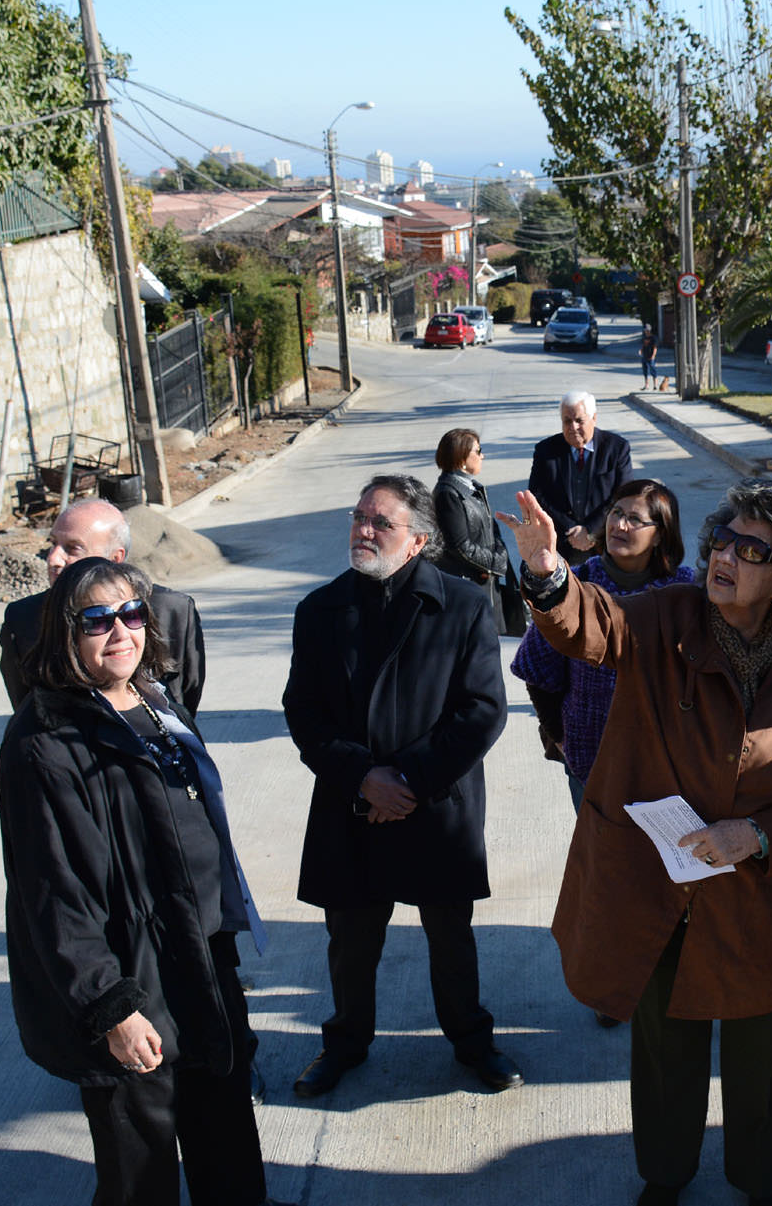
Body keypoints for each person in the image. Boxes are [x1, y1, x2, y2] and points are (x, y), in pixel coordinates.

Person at [508, 477, 772, 1206]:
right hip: (659, 891)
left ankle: (756, 1177)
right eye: (723, 540)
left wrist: (762, 834)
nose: (725, 557)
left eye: (751, 548)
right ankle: (665, 1174)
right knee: (666, 1049)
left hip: (757, 900)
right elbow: (593, 624)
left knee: (756, 1057)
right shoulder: (666, 616)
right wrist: (550, 578)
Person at [0, 557, 285, 1206]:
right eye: (97, 619)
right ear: (65, 633)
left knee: (223, 1121)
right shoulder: (45, 741)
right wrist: (112, 1006)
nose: (119, 630)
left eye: (130, 613)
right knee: (140, 1161)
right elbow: (55, 895)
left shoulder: (154, 700)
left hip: (201, 950)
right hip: (131, 973)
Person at [282, 474, 522, 1099]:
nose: (363, 529)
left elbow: (481, 711)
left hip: (435, 806)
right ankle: (345, 1046)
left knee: (451, 940)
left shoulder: (464, 605)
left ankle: (473, 1044)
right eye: (359, 516)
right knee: (350, 946)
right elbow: (304, 713)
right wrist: (364, 777)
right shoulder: (321, 610)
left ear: (417, 539)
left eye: (379, 522)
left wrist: (408, 780)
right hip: (352, 807)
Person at [511, 478, 696, 814]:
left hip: (669, 766)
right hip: (590, 758)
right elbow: (538, 669)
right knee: (600, 860)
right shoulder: (576, 584)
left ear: (661, 534)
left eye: (635, 519)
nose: (619, 525)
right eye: (616, 512)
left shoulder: (687, 592)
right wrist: (561, 737)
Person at [0, 499, 205, 713]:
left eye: (73, 548)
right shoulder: (24, 618)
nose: (53, 559)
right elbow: (26, 704)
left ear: (115, 559)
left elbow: (185, 697)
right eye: (52, 544)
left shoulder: (171, 610)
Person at [527, 390, 634, 565]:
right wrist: (571, 529)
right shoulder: (545, 450)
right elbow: (536, 494)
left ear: (594, 418)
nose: (573, 427)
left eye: (579, 421)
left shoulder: (616, 449)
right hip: (562, 545)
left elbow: (623, 495)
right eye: (567, 421)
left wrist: (591, 530)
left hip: (606, 541)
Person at [431, 428, 520, 633]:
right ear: (462, 458)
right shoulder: (448, 494)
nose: (483, 456)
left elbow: (490, 529)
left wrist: (500, 552)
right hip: (470, 587)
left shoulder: (471, 488)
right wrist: (495, 562)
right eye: (478, 451)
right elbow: (459, 546)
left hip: (487, 583)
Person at [639, 325, 659, 389]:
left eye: (647, 330)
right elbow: (643, 345)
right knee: (645, 371)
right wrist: (641, 350)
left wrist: (653, 355)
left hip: (651, 356)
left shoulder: (653, 338)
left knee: (653, 370)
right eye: (645, 330)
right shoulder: (644, 337)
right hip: (644, 356)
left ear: (649, 330)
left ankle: (655, 385)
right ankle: (646, 385)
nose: (646, 331)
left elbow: (655, 347)